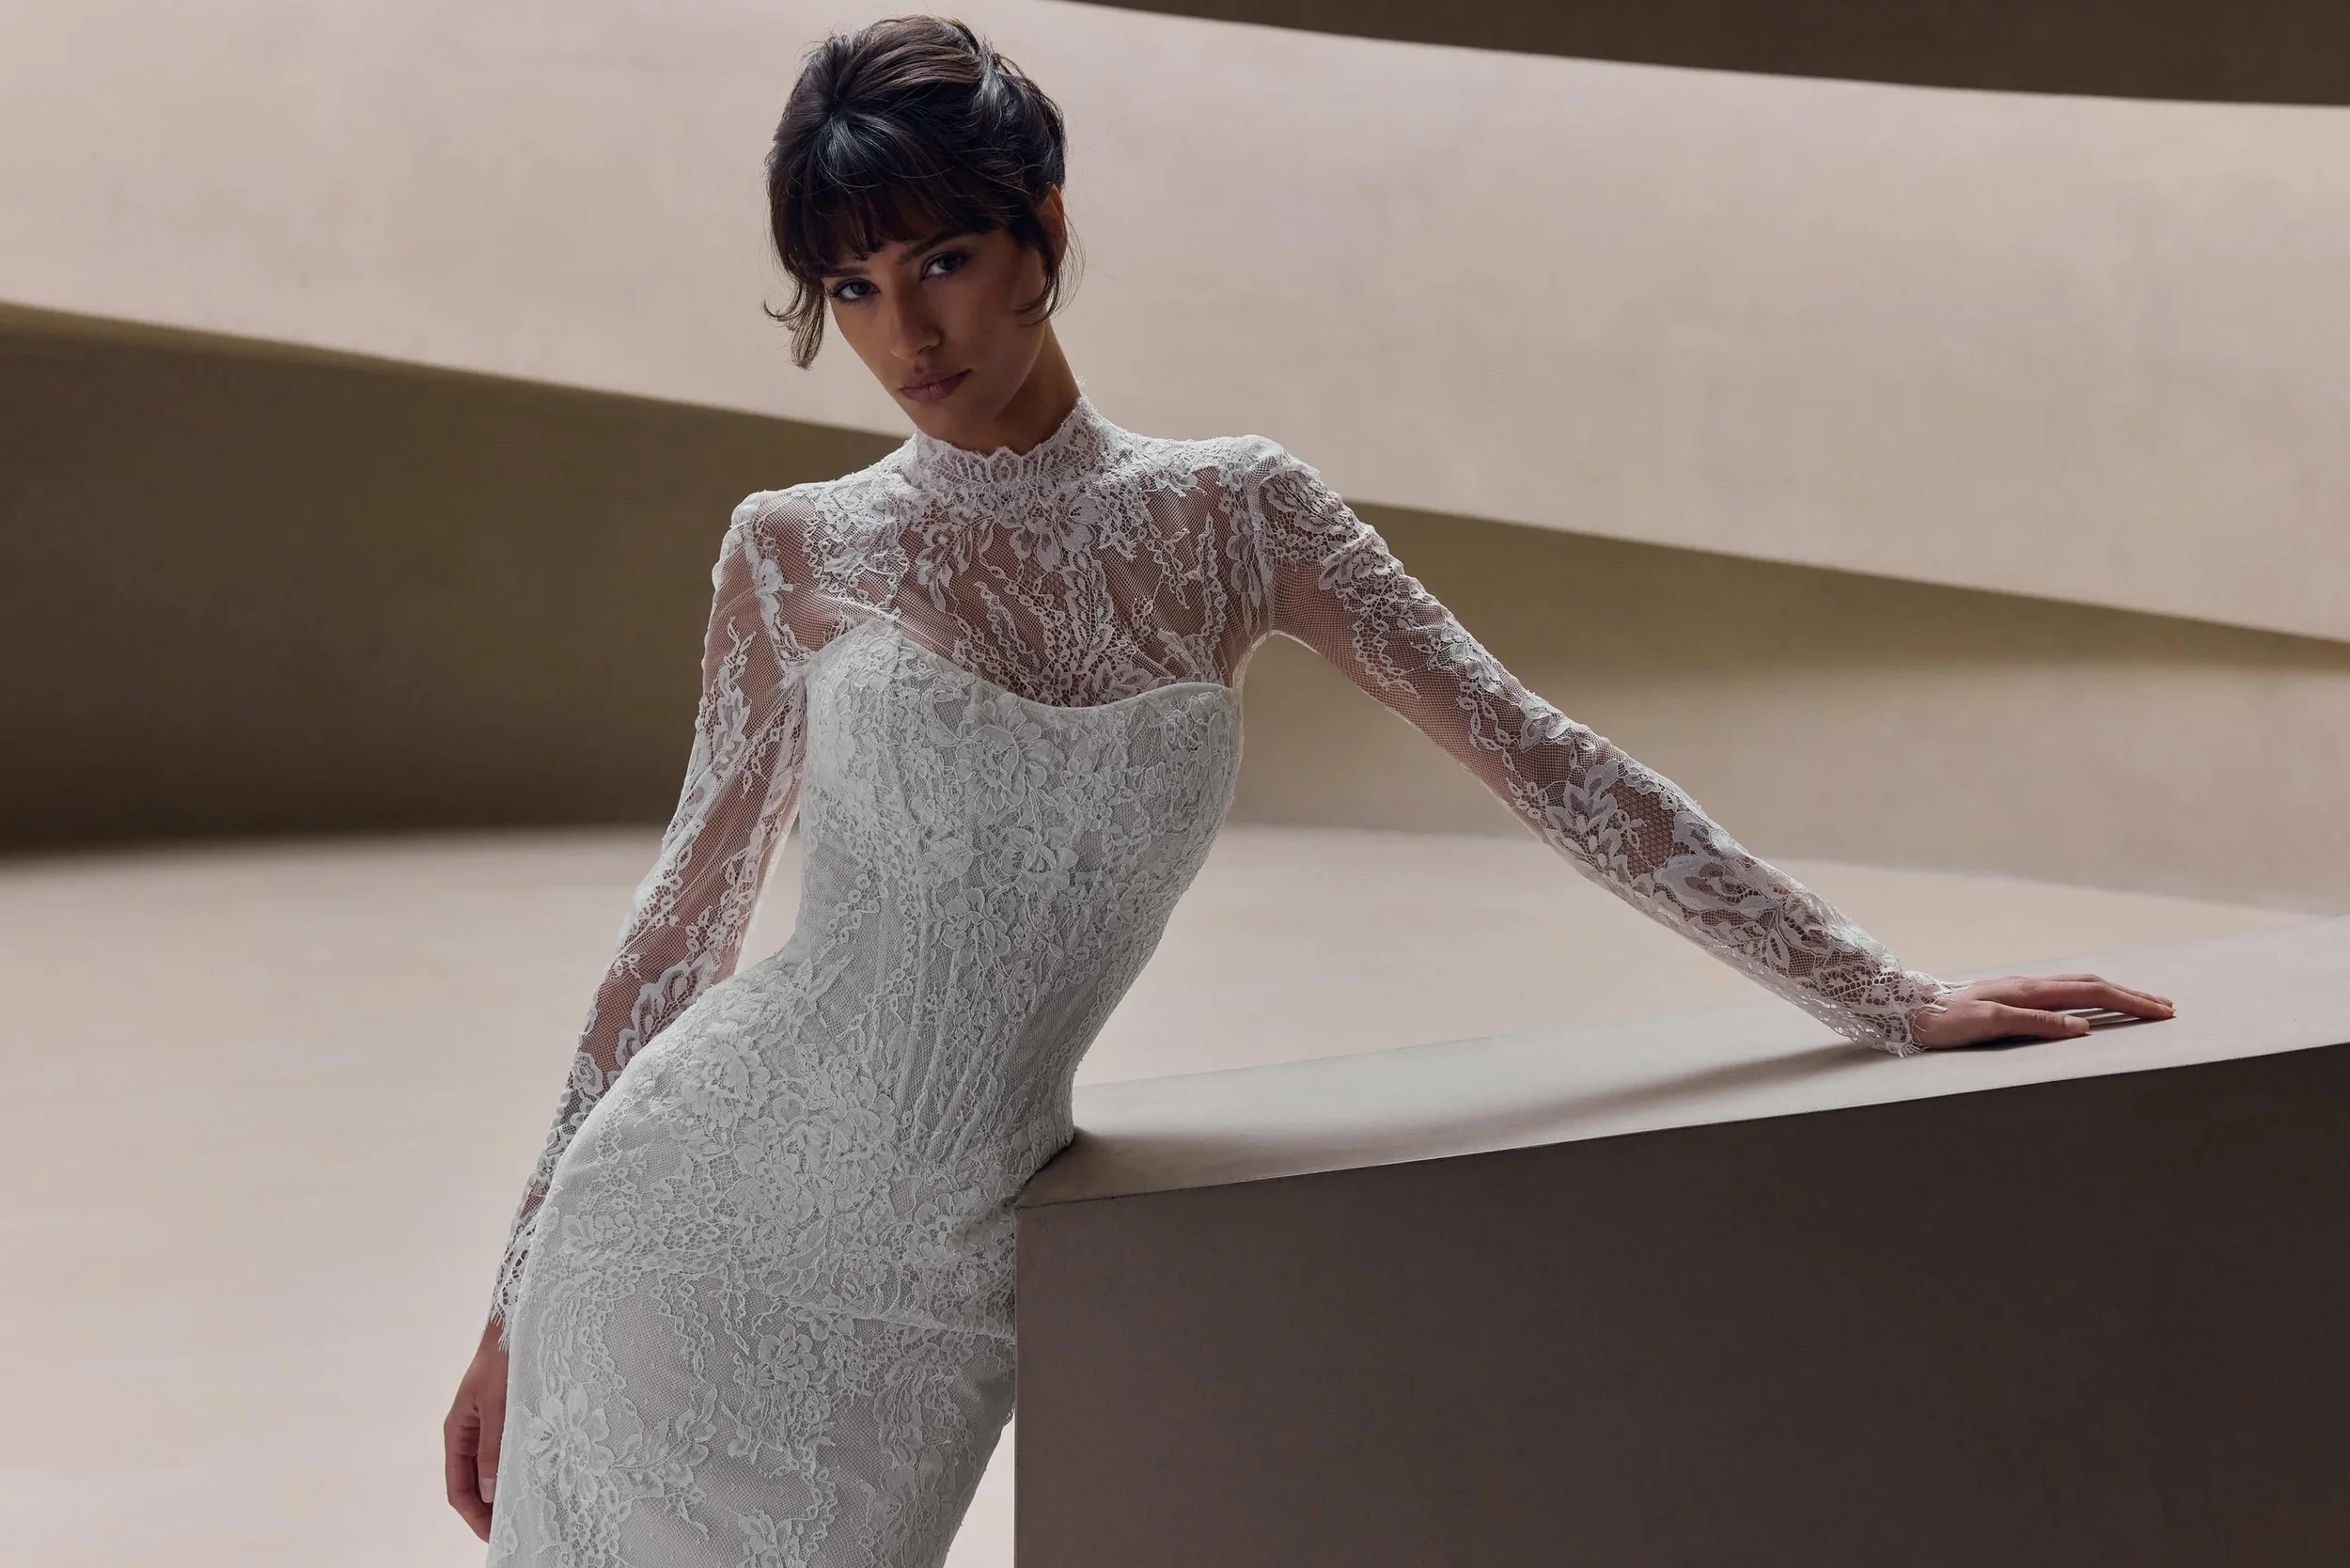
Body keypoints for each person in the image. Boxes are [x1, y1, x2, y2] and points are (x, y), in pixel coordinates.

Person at [442, 14, 2175, 1565]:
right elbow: (680, 934)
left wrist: (1885, 995)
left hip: (944, 1276)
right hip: (678, 1229)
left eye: (946, 259)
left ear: (1046, 227)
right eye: (854, 290)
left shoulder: (1238, 516)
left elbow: (1539, 754)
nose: (908, 330)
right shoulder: (796, 549)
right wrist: (517, 1300)